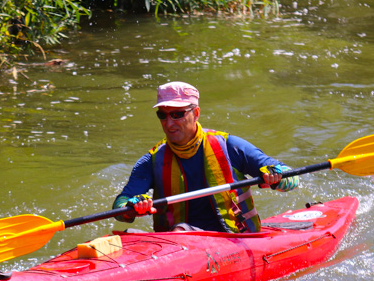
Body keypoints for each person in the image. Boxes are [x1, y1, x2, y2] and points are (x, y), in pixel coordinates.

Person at [113, 81, 299, 233]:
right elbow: (119, 208)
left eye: (177, 114)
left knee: (180, 230)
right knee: (170, 231)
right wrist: (132, 206)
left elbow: (292, 177)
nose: (169, 123)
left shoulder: (230, 146)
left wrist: (276, 177)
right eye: (163, 115)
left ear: (196, 113)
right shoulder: (151, 161)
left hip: (235, 240)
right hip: (179, 244)